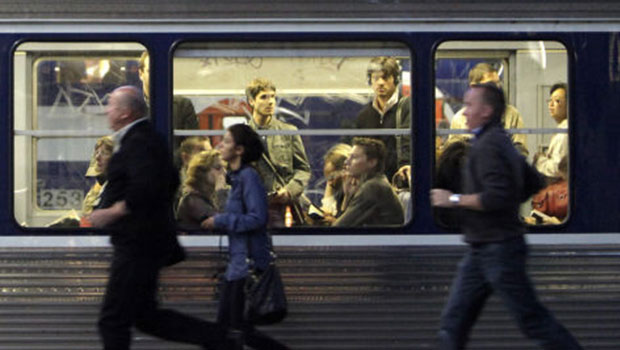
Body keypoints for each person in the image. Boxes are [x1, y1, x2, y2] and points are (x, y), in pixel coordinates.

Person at [430, 83, 583, 350]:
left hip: (498, 249)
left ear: (487, 110)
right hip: (485, 248)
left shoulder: (487, 147)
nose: (464, 112)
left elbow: (494, 197)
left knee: (530, 319)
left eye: (470, 105)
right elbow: (533, 181)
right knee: (454, 322)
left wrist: (452, 199)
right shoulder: (501, 141)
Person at [88, 86, 226, 350]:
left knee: (112, 320)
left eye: (113, 106)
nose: (108, 111)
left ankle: (223, 337)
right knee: (146, 317)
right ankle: (222, 338)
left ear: (126, 112)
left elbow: (148, 185)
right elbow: (169, 179)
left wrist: (113, 211)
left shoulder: (140, 140)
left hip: (137, 244)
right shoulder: (145, 139)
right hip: (145, 243)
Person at [202, 123, 291, 350]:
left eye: (227, 141)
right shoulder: (237, 178)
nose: (220, 145)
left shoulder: (249, 177)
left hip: (246, 268)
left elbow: (257, 218)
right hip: (238, 266)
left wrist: (220, 221)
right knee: (232, 330)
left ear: (240, 150)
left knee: (234, 330)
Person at [246, 78, 311, 227]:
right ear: (251, 101)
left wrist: (289, 191)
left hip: (284, 206)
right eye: (263, 97)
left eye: (273, 97)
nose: (270, 102)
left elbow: (303, 169)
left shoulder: (288, 132)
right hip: (253, 207)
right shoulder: (243, 134)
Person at [445, 62, 528, 156]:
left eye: (498, 83)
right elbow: (452, 155)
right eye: (491, 84)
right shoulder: (460, 119)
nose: (497, 87)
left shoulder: (512, 114)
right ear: (474, 87)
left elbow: (521, 150)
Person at [355, 56, 411, 179]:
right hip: (370, 182)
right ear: (370, 81)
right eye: (376, 78)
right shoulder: (364, 116)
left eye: (385, 78)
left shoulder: (408, 108)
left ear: (395, 79)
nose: (380, 82)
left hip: (399, 180)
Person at [333, 137, 404, 227]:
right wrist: (347, 196)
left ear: (372, 162)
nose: (347, 162)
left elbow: (339, 229)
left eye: (353, 157)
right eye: (348, 157)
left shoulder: (373, 187)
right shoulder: (377, 182)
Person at [138, 52, 199, 148]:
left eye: (160, 70)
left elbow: (192, 145)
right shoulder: (132, 107)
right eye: (151, 71)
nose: (156, 75)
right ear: (141, 74)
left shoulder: (183, 106)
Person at [176, 149, 227, 230]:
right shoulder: (192, 200)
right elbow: (224, 223)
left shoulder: (211, 197)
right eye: (218, 168)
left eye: (224, 167)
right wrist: (220, 192)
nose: (224, 172)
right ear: (203, 172)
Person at [534, 82, 569, 182]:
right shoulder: (561, 128)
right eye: (550, 100)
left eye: (557, 101)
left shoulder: (565, 132)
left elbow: (557, 168)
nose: (551, 105)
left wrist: (540, 161)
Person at [318, 143, 352, 222]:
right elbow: (328, 209)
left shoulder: (357, 192)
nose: (330, 183)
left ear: (345, 170)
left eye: (332, 177)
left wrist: (335, 222)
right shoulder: (338, 188)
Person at [82, 136, 114, 216]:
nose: (97, 157)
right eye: (97, 153)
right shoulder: (98, 186)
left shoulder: (118, 188)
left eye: (104, 153)